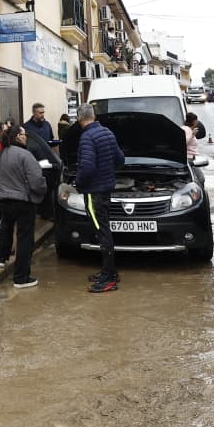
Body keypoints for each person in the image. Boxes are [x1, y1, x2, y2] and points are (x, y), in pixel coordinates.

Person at [76, 104, 126, 293]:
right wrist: (108, 174)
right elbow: (120, 160)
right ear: (94, 116)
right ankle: (108, 272)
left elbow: (87, 168)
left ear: (80, 118)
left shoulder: (87, 137)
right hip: (105, 188)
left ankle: (109, 278)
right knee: (104, 229)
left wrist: (79, 183)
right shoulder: (107, 132)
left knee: (102, 232)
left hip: (93, 192)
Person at [0, 124, 46, 288]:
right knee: (25, 238)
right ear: (17, 137)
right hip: (24, 202)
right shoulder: (25, 155)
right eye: (24, 134)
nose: (26, 137)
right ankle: (21, 277)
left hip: (4, 200)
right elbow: (36, 181)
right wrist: (42, 190)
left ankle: (0, 257)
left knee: (6, 227)